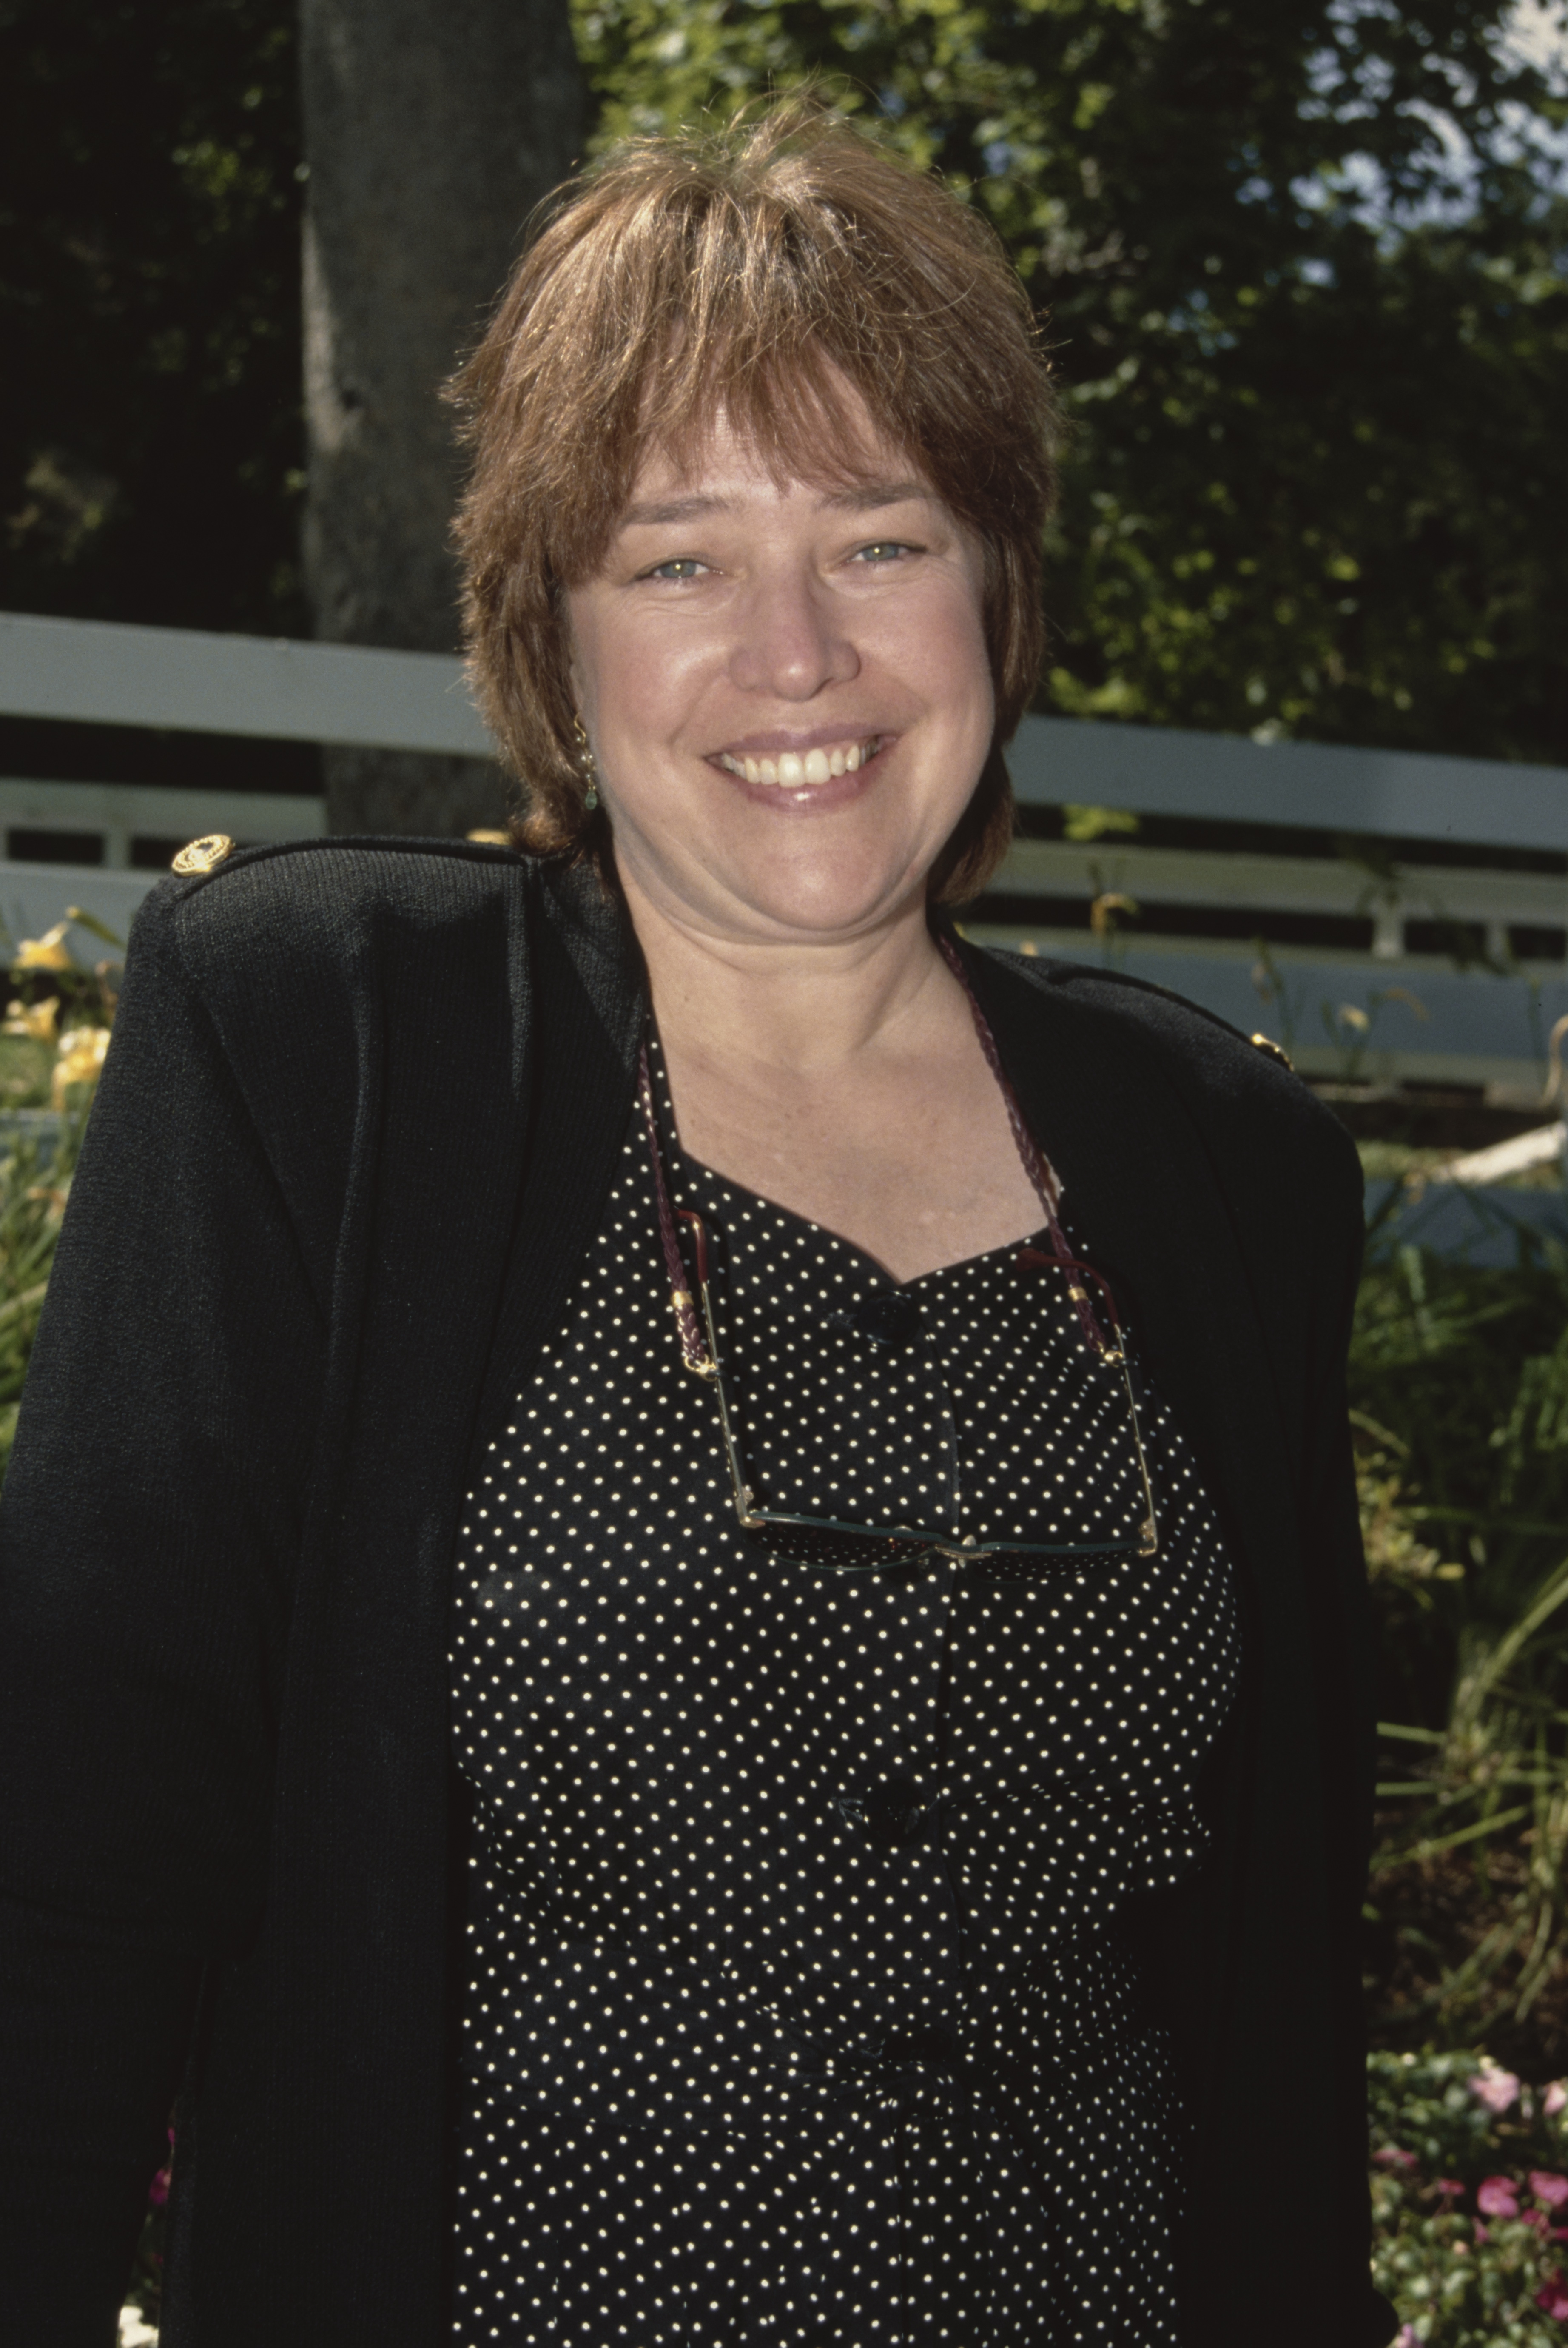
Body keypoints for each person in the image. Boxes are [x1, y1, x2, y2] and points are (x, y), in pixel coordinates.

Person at [0, 98, 1395, 2348]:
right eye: (676, 560)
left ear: (995, 590)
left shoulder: (1221, 1163)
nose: (794, 651)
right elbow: (65, 1861)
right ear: (552, 645)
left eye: (876, 539)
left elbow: (1274, 1975)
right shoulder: (323, 1046)